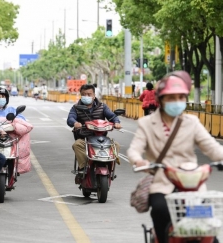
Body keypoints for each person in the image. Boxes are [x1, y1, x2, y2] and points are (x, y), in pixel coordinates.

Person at [127, 71, 223, 243]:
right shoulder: (146, 123)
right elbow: (134, 149)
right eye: (171, 97)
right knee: (160, 210)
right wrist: (139, 161)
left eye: (181, 97)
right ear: (161, 100)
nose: (176, 101)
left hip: (193, 182)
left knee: (208, 227)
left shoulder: (192, 122)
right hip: (162, 182)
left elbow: (212, 147)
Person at [67, 84, 122, 173]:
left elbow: (112, 116)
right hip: (84, 139)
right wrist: (75, 123)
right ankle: (83, 167)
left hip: (101, 138)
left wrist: (117, 123)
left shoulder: (102, 106)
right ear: (81, 95)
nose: (87, 96)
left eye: (89, 94)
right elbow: (70, 119)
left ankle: (110, 165)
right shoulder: (76, 107)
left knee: (116, 145)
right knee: (76, 145)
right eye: (84, 94)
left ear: (94, 95)